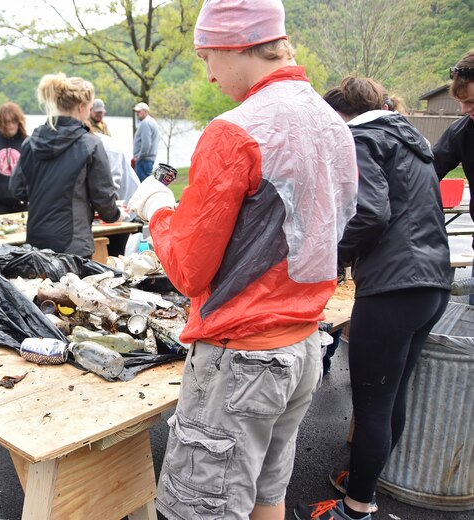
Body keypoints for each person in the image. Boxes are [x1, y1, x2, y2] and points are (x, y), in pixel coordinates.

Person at [128, 1, 358, 518]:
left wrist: (159, 210)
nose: (208, 75)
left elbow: (188, 270)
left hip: (241, 359)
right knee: (266, 495)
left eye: (207, 56)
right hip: (302, 346)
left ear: (235, 45)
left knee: (202, 509)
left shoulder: (234, 130)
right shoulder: (333, 123)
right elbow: (339, 226)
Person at [294, 77, 451, 520]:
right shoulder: (408, 139)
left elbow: (367, 212)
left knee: (371, 403)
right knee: (392, 394)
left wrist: (332, 258)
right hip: (432, 284)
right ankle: (361, 479)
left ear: (338, 117)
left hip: (393, 288)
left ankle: (355, 508)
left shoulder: (360, 137)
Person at [10, 72, 123, 258]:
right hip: (73, 245)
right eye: (89, 106)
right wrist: (117, 215)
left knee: (41, 287)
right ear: (81, 106)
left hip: (36, 243)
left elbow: (17, 189)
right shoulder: (90, 144)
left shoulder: (30, 143)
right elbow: (103, 199)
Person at [434, 49, 474, 301]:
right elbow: (425, 171)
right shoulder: (463, 133)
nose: (464, 109)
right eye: (461, 101)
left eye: (471, 101)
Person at [132, 101, 159, 181]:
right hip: (148, 160)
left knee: (142, 186)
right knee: (147, 184)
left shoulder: (145, 123)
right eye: (136, 112)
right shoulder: (152, 121)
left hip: (144, 160)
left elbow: (146, 144)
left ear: (145, 111)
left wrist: (139, 157)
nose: (137, 114)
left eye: (139, 111)